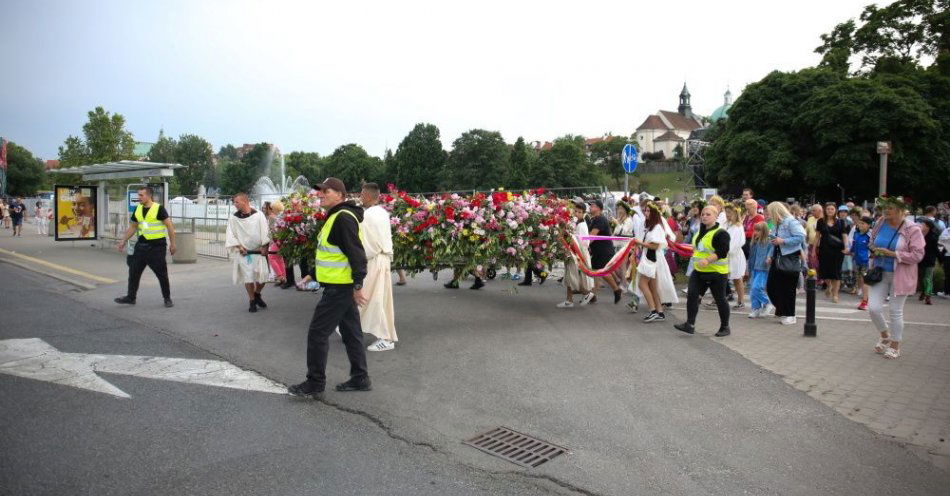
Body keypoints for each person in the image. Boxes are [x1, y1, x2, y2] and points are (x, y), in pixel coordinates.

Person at [288, 177, 371, 399]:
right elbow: (333, 253)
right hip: (338, 286)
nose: (321, 194)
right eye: (320, 191)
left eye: (326, 191)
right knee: (352, 333)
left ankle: (315, 382)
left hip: (340, 289)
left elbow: (357, 255)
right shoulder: (336, 217)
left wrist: (357, 285)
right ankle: (360, 377)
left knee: (317, 334)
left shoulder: (342, 218)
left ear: (340, 195)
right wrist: (312, 274)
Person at [867, 196, 925, 359]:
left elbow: (918, 254)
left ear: (900, 210)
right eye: (884, 208)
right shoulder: (880, 223)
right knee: (874, 308)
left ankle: (895, 344)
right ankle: (885, 335)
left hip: (901, 275)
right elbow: (871, 240)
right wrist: (874, 249)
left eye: (889, 208)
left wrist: (894, 254)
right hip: (880, 272)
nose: (885, 211)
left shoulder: (912, 228)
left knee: (895, 311)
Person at [674, 206, 731, 337]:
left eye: (708, 214)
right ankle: (690, 324)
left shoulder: (721, 233)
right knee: (692, 296)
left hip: (716, 272)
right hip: (699, 271)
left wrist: (708, 260)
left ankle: (725, 327)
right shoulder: (701, 230)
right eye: (703, 214)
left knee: (720, 299)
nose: (704, 216)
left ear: (716, 216)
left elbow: (722, 252)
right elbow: (698, 249)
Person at [115, 186, 176, 307]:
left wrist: (173, 244)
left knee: (161, 274)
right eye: (138, 195)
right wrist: (123, 240)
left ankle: (167, 298)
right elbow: (133, 227)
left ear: (149, 196)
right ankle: (131, 297)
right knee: (133, 272)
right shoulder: (138, 209)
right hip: (141, 246)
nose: (139, 197)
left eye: (141, 195)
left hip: (157, 247)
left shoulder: (159, 209)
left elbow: (169, 226)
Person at [359, 183, 398, 352]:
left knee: (371, 298)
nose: (360, 197)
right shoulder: (382, 212)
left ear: (367, 196)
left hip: (374, 260)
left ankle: (386, 338)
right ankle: (350, 327)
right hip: (382, 259)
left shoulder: (367, 215)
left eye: (361, 194)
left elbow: (364, 243)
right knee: (376, 298)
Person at [225, 193, 271, 313]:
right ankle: (252, 301)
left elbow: (265, 232)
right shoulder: (234, 218)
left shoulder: (259, 215)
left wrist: (265, 246)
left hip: (258, 251)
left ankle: (257, 294)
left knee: (263, 277)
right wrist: (239, 246)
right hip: (244, 253)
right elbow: (231, 234)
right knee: (248, 277)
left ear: (245, 201)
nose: (235, 205)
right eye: (234, 202)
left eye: (237, 202)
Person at [632, 202, 678, 321]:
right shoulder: (648, 225)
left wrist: (639, 243)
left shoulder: (657, 226)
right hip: (649, 257)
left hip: (652, 258)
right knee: (653, 287)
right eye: (645, 211)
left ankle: (653, 310)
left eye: (648, 211)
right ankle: (659, 312)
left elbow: (655, 246)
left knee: (642, 284)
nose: (646, 213)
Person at [765, 201, 807, 325]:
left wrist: (783, 241)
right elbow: (775, 241)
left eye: (770, 213)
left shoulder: (791, 221)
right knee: (772, 286)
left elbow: (800, 236)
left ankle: (790, 314)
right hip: (777, 256)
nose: (768, 215)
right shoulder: (777, 224)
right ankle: (782, 309)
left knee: (788, 288)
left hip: (789, 257)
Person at [557, 200, 595, 308]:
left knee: (573, 277)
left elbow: (584, 243)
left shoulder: (582, 226)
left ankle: (585, 294)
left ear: (584, 213)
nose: (576, 213)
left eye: (579, 212)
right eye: (575, 211)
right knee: (571, 276)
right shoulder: (577, 223)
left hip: (578, 254)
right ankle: (569, 300)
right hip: (574, 253)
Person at [587, 200, 623, 304]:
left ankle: (617, 290)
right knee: (596, 273)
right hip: (599, 250)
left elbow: (591, 237)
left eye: (592, 206)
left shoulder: (600, 219)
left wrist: (583, 246)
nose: (590, 207)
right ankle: (593, 295)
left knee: (602, 272)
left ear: (598, 208)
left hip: (603, 251)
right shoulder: (595, 219)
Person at [816, 202, 849, 303]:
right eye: (828, 209)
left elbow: (844, 236)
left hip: (838, 250)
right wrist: (814, 249)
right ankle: (829, 285)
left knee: (836, 272)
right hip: (824, 249)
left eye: (832, 209)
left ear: (835, 211)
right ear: (825, 210)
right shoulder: (821, 221)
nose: (830, 211)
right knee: (825, 272)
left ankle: (835, 294)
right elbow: (817, 236)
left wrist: (847, 247)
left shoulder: (840, 222)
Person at [747, 222, 772, 318]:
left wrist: (769, 257)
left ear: (764, 231)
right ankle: (755, 308)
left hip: (763, 269)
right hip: (754, 268)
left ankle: (767, 302)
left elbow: (772, 250)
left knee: (756, 288)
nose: (756, 232)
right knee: (752, 290)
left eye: (758, 230)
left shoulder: (768, 242)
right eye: (755, 230)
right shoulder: (754, 242)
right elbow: (751, 257)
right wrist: (748, 269)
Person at [724, 204, 747, 309]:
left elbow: (736, 242)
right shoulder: (726, 224)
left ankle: (741, 300)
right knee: (723, 277)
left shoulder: (738, 226)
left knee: (737, 278)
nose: (727, 215)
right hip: (725, 255)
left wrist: (726, 250)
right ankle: (720, 299)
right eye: (726, 212)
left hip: (734, 255)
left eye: (729, 212)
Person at [849, 216, 872, 310]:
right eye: (860, 223)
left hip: (866, 261)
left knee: (865, 280)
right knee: (860, 280)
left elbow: (873, 248)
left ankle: (865, 301)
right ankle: (866, 297)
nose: (860, 225)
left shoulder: (870, 236)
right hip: (857, 260)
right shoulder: (856, 234)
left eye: (863, 223)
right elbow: (854, 246)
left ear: (869, 225)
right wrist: (849, 251)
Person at [263, 201, 287, 286]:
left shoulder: (271, 217)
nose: (271, 209)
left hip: (275, 240)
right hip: (281, 240)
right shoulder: (278, 217)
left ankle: (280, 276)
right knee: (280, 259)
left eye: (272, 208)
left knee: (271, 257)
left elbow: (272, 231)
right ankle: (283, 277)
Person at [917, 218, 939, 305]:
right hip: (920, 259)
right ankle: (923, 291)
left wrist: (940, 259)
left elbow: (936, 250)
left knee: (928, 278)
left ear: (928, 227)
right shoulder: (919, 235)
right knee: (921, 278)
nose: (922, 226)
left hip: (930, 260)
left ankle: (928, 296)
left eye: (924, 225)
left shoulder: (933, 237)